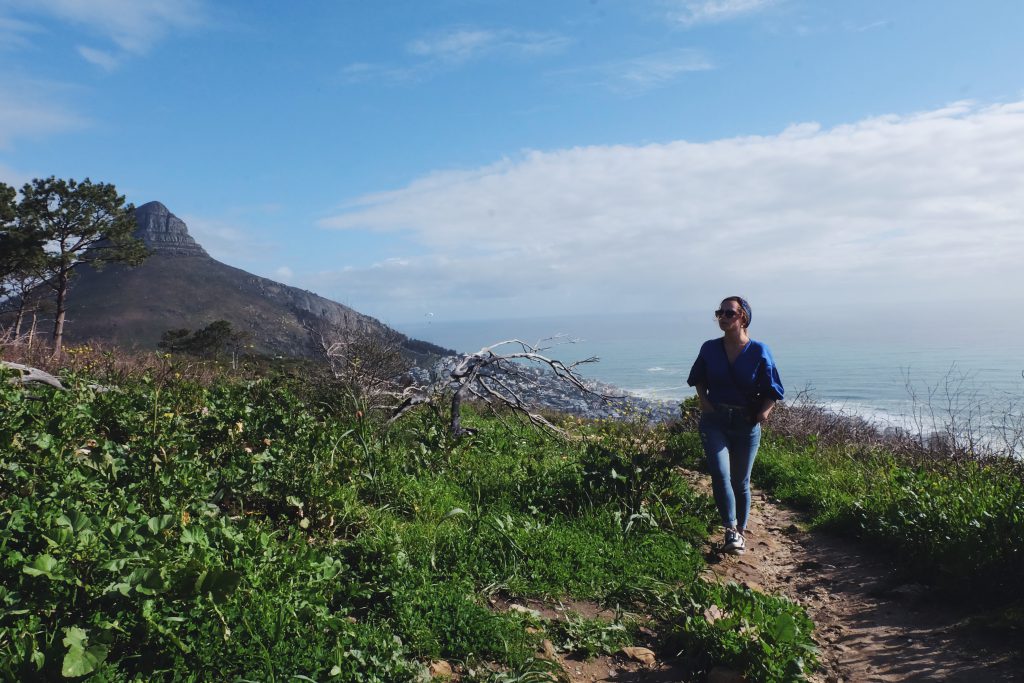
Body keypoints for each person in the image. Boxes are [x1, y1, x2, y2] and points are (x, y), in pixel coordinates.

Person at [686, 296, 784, 555]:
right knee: (720, 474)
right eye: (719, 313)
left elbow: (774, 389)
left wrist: (764, 412)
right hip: (714, 420)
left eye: (729, 313)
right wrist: (704, 402)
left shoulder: (760, 351)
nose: (723, 317)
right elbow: (697, 378)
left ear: (743, 317)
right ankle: (730, 529)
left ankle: (740, 531)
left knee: (740, 481)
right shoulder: (709, 348)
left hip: (746, 422)